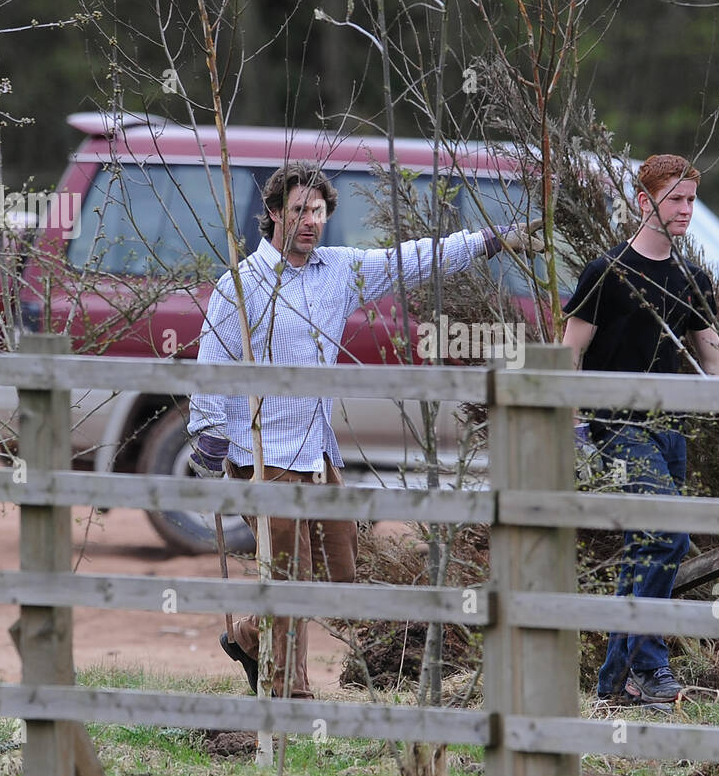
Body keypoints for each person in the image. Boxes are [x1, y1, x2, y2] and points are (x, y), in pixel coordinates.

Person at [188, 161, 539, 698]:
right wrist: (210, 439)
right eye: (299, 210)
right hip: (262, 454)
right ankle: (289, 698)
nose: (310, 220)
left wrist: (493, 240)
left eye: (319, 210)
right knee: (287, 576)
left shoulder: (339, 271)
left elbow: (415, 259)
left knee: (339, 574)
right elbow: (213, 361)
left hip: (316, 453)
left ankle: (248, 635)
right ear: (275, 214)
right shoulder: (241, 284)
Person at [561, 154, 719, 706]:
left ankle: (613, 683)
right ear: (645, 202)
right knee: (666, 533)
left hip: (671, 432)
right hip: (614, 427)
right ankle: (648, 668)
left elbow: (716, 361)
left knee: (648, 545)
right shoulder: (607, 272)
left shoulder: (692, 279)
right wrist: (575, 426)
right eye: (676, 199)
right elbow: (568, 353)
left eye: (692, 199)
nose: (686, 210)